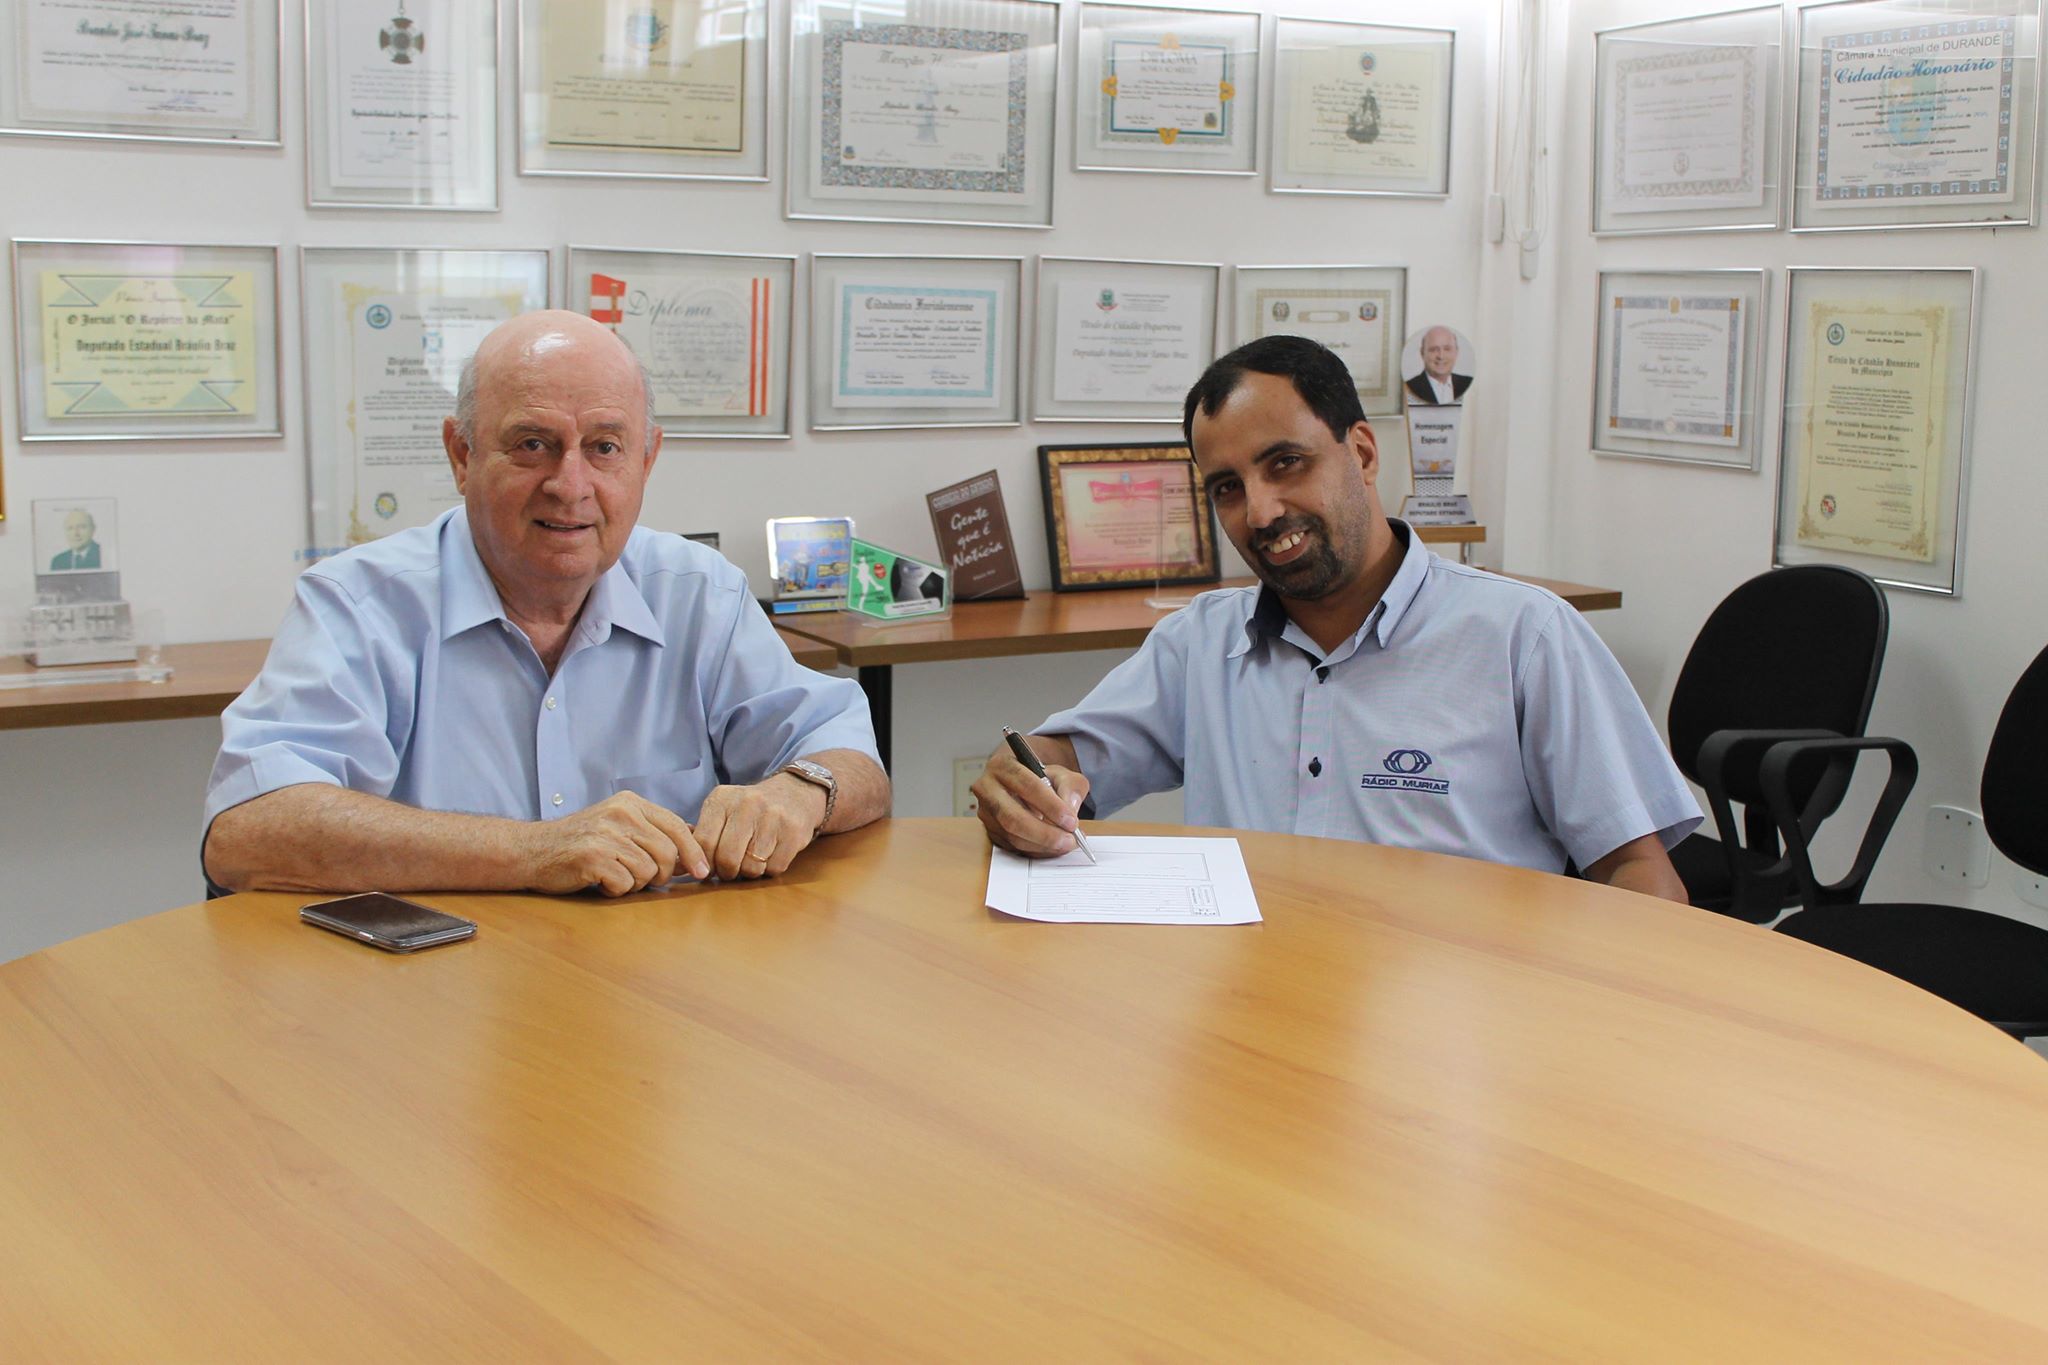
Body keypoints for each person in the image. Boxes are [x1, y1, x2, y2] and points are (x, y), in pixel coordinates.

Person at [973, 335, 1698, 902]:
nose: (1259, 512)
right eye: (1228, 487)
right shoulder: (1200, 643)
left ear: (1362, 450)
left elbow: (1639, 872)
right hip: (1251, 1019)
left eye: (1285, 463)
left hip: (1462, 1041)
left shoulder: (1523, 637)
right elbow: (1059, 759)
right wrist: (1024, 784)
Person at [204, 311, 889, 896]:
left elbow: (851, 757)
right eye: (533, 444)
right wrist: (533, 852)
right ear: (461, 454)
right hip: (432, 1002)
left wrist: (799, 792)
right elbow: (248, 828)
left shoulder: (698, 593)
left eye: (604, 448)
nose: (571, 484)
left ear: (645, 461)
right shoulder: (359, 604)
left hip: (654, 998)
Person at [1404, 325, 1473, 405]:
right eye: (1433, 350)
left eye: (1447, 349)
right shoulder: (1411, 387)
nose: (1441, 356)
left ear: (1456, 352)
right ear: (1422, 353)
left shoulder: (1466, 383)